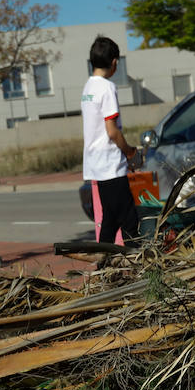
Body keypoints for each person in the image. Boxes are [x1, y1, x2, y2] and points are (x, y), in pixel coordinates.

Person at [81, 36, 140, 245]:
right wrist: (130, 152)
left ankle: (103, 267)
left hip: (95, 164)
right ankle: (139, 270)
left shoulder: (88, 88)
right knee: (130, 222)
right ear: (114, 62)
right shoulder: (107, 87)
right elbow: (112, 131)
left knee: (111, 220)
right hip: (110, 164)